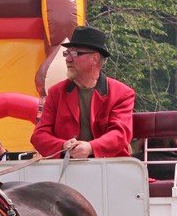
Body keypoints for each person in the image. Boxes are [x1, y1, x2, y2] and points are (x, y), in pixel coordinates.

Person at [30, 25, 135, 159]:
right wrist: (63, 146)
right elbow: (38, 136)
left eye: (75, 53)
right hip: (67, 168)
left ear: (95, 58)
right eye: (67, 53)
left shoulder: (122, 93)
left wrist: (91, 148)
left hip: (109, 168)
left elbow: (120, 134)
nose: (67, 59)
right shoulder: (56, 93)